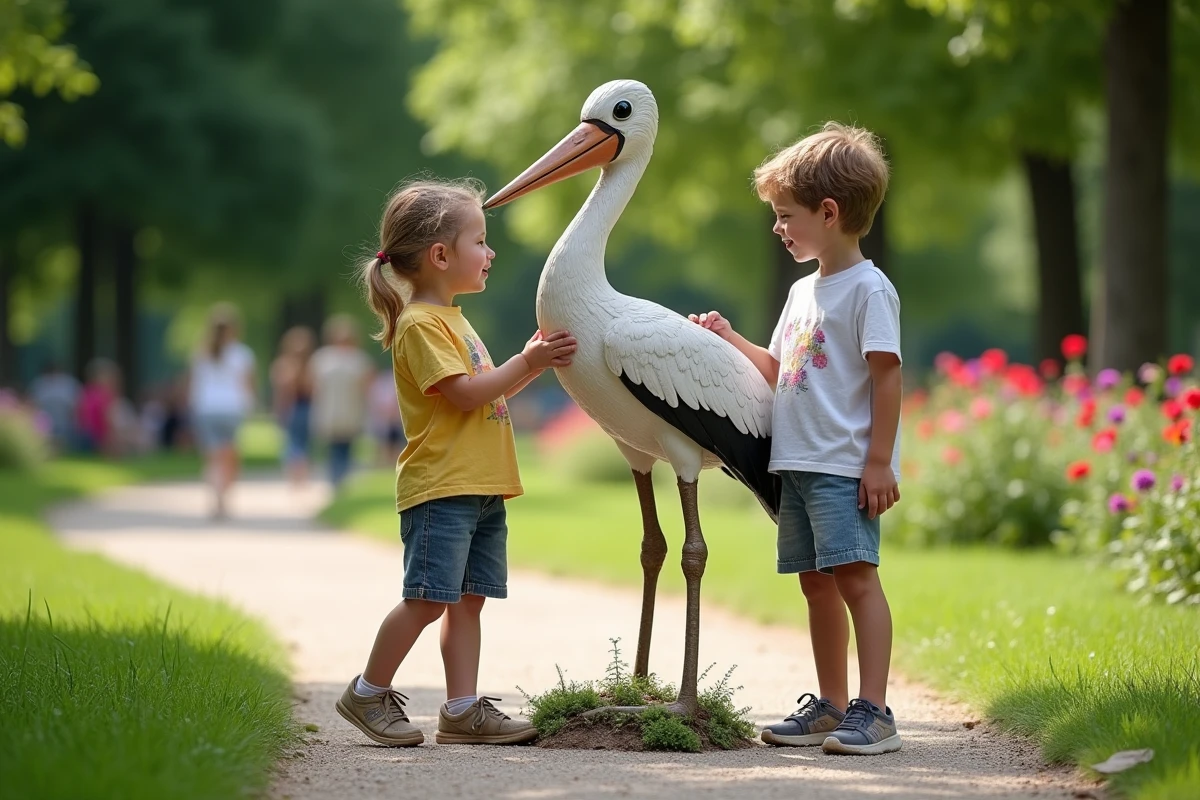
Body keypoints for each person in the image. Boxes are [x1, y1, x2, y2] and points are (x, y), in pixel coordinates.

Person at [336, 178, 576, 747]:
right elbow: (465, 395)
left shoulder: (454, 319)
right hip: (442, 487)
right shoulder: (421, 325)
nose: (490, 252)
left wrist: (530, 366)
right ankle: (367, 692)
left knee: (469, 600)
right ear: (441, 256)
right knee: (426, 599)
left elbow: (484, 393)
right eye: (480, 241)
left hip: (480, 486)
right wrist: (527, 362)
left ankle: (462, 710)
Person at [689, 123, 903, 755]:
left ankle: (875, 711)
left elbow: (888, 378)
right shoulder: (802, 291)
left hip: (843, 466)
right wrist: (727, 338)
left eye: (786, 216)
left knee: (856, 579)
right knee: (815, 584)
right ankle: (832, 706)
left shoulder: (869, 290)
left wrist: (879, 463)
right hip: (798, 464)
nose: (778, 227)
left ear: (828, 213)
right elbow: (779, 368)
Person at [188, 303, 255, 519]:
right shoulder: (242, 354)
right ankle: (224, 496)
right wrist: (250, 406)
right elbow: (247, 385)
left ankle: (216, 496)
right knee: (230, 456)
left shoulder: (201, 352)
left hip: (206, 408)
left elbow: (195, 384)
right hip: (232, 408)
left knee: (213, 457)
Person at [309, 315, 372, 490]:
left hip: (350, 409)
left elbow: (366, 387)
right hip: (330, 409)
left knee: (345, 448)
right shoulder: (323, 358)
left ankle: (341, 480)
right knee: (334, 448)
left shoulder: (358, 359)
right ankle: (336, 480)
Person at [270, 326, 316, 488]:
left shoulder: (284, 366)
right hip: (307, 408)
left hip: (294, 408)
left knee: (293, 443)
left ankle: (295, 476)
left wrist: (279, 410)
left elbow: (282, 393)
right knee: (303, 443)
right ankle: (301, 476)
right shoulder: (312, 366)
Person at [28, 360, 80, 451]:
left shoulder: (69, 384)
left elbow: (76, 406)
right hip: (45, 423)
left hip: (65, 424)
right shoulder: (39, 384)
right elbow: (33, 405)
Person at [367, 365, 405, 467]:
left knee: (394, 442)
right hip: (385, 419)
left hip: (393, 419)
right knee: (384, 442)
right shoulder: (382, 383)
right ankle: (386, 461)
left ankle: (392, 461)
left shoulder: (384, 383)